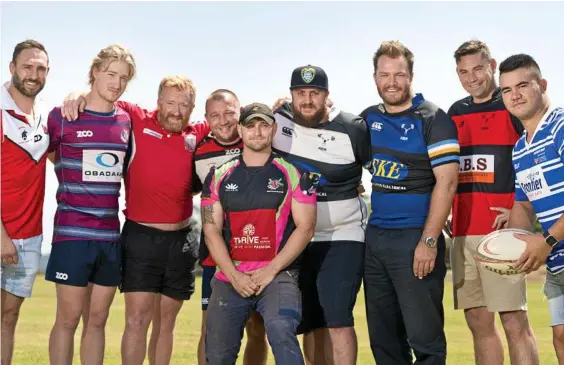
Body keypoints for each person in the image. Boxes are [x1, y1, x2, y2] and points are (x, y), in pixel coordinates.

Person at [61, 75, 208, 365]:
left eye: (184, 104)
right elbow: (103, 96)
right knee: (137, 319)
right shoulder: (137, 117)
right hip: (141, 238)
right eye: (170, 103)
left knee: (166, 324)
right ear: (158, 102)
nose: (176, 111)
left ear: (193, 108)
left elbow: (232, 117)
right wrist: (76, 94)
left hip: (182, 241)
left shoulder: (198, 132)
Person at [360, 40, 459, 365]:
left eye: (399, 74)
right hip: (375, 241)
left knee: (424, 338)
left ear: (411, 75)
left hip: (415, 238)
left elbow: (447, 182)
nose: (392, 82)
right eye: (384, 74)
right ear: (375, 77)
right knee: (384, 340)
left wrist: (429, 241)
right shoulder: (366, 119)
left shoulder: (433, 117)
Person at [201, 102, 317, 365]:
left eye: (264, 125)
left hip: (278, 275)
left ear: (273, 129)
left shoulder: (294, 173)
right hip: (230, 277)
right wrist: (234, 275)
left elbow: (306, 228)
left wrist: (271, 270)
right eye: (250, 126)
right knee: (217, 355)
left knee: (281, 330)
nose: (257, 132)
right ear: (240, 130)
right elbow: (210, 230)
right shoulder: (217, 175)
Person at [447, 40, 539, 365]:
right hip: (462, 232)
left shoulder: (512, 107)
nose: (471, 78)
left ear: (492, 66)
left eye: (477, 69)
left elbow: (533, 160)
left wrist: (517, 205)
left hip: (501, 235)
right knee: (478, 322)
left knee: (514, 321)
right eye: (463, 71)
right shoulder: (454, 113)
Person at [272, 65, 370, 365]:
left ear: (327, 96)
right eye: (300, 93)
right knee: (310, 321)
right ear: (290, 96)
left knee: (338, 316)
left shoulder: (353, 127)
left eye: (314, 93)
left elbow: (379, 171)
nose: (307, 100)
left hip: (344, 232)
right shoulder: (277, 122)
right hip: (299, 236)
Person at [45, 44, 136, 365]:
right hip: (72, 237)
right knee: (67, 321)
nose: (117, 82)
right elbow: (48, 157)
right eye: (111, 73)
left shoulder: (126, 120)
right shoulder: (62, 116)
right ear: (95, 72)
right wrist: (74, 95)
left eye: (124, 77)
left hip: (110, 239)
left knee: (97, 323)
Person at [195, 89, 268, 365]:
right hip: (216, 256)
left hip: (259, 255)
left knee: (257, 329)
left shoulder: (259, 139)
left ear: (240, 113)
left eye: (229, 113)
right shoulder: (199, 151)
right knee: (210, 329)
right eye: (215, 115)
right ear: (206, 119)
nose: (223, 121)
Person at [501, 53, 564, 365]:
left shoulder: (560, 125)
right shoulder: (520, 149)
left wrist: (547, 241)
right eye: (507, 89)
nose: (515, 95)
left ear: (542, 84)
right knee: (561, 337)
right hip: (558, 261)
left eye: (523, 85)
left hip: (553, 246)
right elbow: (524, 205)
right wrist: (508, 249)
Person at [1, 39, 50, 365]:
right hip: (2, 233)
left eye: (40, 68)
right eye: (27, 66)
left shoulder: (46, 117)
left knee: (9, 316)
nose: (33, 74)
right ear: (12, 69)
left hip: (29, 237)